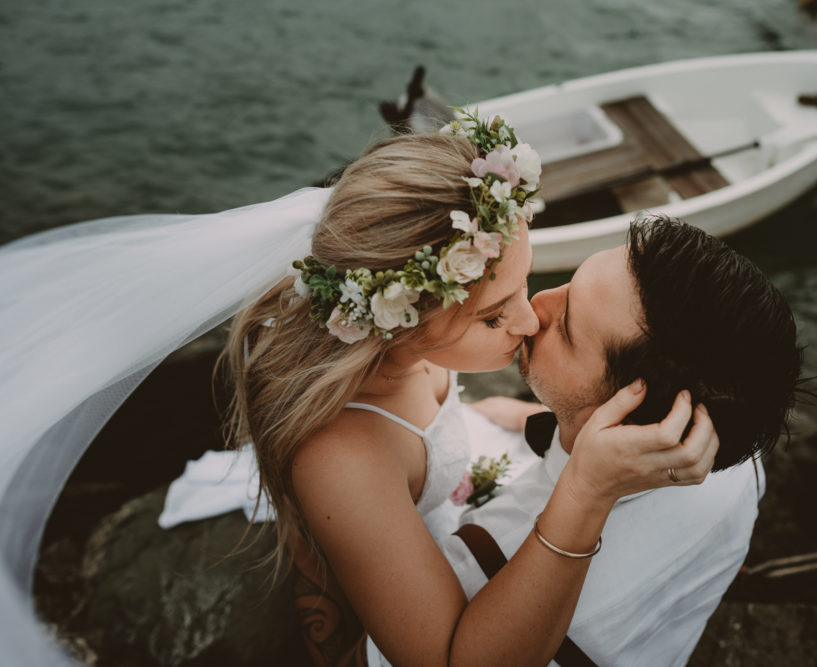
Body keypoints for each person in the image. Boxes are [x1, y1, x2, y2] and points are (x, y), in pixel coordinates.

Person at [0, 112, 718, 667]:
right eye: (495, 313)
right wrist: (586, 492)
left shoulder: (400, 346)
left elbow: (445, 413)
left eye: (524, 284)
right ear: (397, 329)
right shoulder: (341, 453)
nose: (529, 319)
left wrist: (513, 414)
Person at [440, 216, 803, 665]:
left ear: (622, 415)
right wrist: (534, 416)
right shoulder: (731, 462)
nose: (536, 307)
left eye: (567, 326)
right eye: (570, 282)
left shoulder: (491, 565)